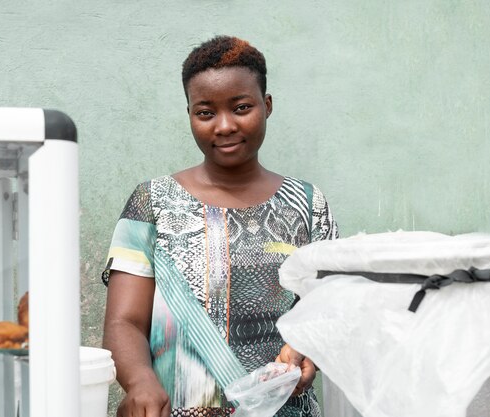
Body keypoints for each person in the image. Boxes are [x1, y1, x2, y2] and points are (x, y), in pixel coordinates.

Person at [102, 35, 339, 417]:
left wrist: (307, 353)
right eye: (206, 112)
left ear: (267, 105)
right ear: (190, 115)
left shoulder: (309, 206)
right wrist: (140, 381)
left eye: (241, 107)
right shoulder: (152, 203)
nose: (224, 126)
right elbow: (123, 321)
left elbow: (327, 311)